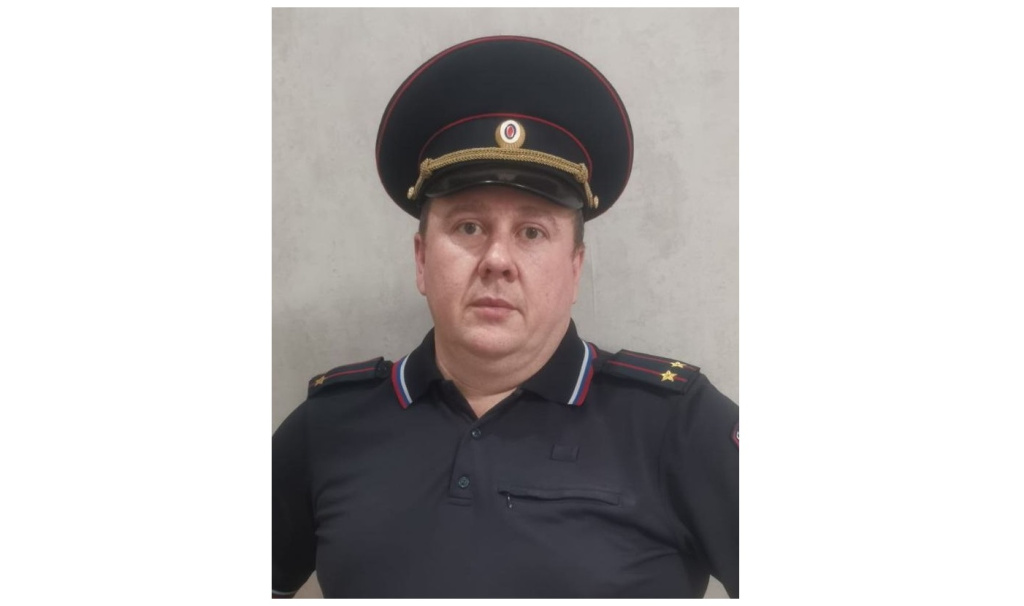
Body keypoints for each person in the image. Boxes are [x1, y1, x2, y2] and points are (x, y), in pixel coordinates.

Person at [272, 35, 738, 598]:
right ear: (421, 260)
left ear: (575, 268)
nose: (497, 260)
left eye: (532, 232)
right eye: (468, 227)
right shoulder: (328, 428)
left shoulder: (677, 425)